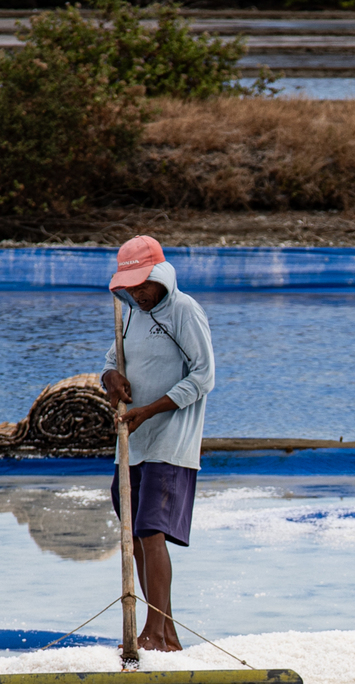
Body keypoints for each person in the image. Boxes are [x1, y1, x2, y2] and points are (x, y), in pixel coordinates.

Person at [102, 235, 215, 653]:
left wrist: (149, 410)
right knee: (132, 533)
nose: (138, 293)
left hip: (170, 439)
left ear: (159, 276)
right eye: (130, 286)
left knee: (151, 530)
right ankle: (166, 636)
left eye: (143, 285)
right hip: (133, 440)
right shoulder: (130, 312)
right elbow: (113, 361)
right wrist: (110, 379)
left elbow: (204, 377)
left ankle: (153, 632)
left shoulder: (183, 310)